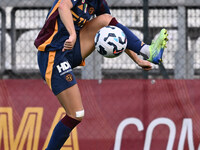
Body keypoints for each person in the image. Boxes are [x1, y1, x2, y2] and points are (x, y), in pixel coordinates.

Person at [34, 0, 168, 149]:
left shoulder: (99, 2)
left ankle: (148, 52)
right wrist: (72, 34)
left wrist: (137, 60)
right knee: (76, 114)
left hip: (72, 49)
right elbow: (63, 6)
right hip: (52, 54)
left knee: (106, 20)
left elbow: (116, 33)